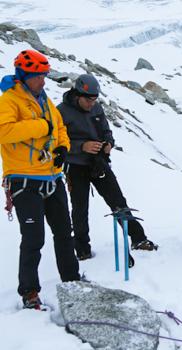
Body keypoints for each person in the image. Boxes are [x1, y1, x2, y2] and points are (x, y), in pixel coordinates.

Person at [0, 49, 81, 309]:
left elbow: (59, 128)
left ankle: (72, 280)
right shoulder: (9, 100)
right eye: (38, 76)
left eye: (44, 75)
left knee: (64, 233)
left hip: (51, 177)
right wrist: (42, 127)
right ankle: (29, 291)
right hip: (24, 179)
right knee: (34, 238)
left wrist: (63, 149)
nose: (43, 80)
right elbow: (5, 132)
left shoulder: (45, 100)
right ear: (23, 75)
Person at [58, 74, 157, 260]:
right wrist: (82, 146)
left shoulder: (96, 108)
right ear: (77, 94)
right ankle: (82, 249)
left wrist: (108, 144)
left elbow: (106, 131)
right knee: (80, 208)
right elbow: (57, 142)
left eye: (95, 99)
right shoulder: (62, 112)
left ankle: (138, 238)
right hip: (75, 166)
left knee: (118, 201)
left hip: (98, 163)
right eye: (88, 99)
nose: (91, 103)